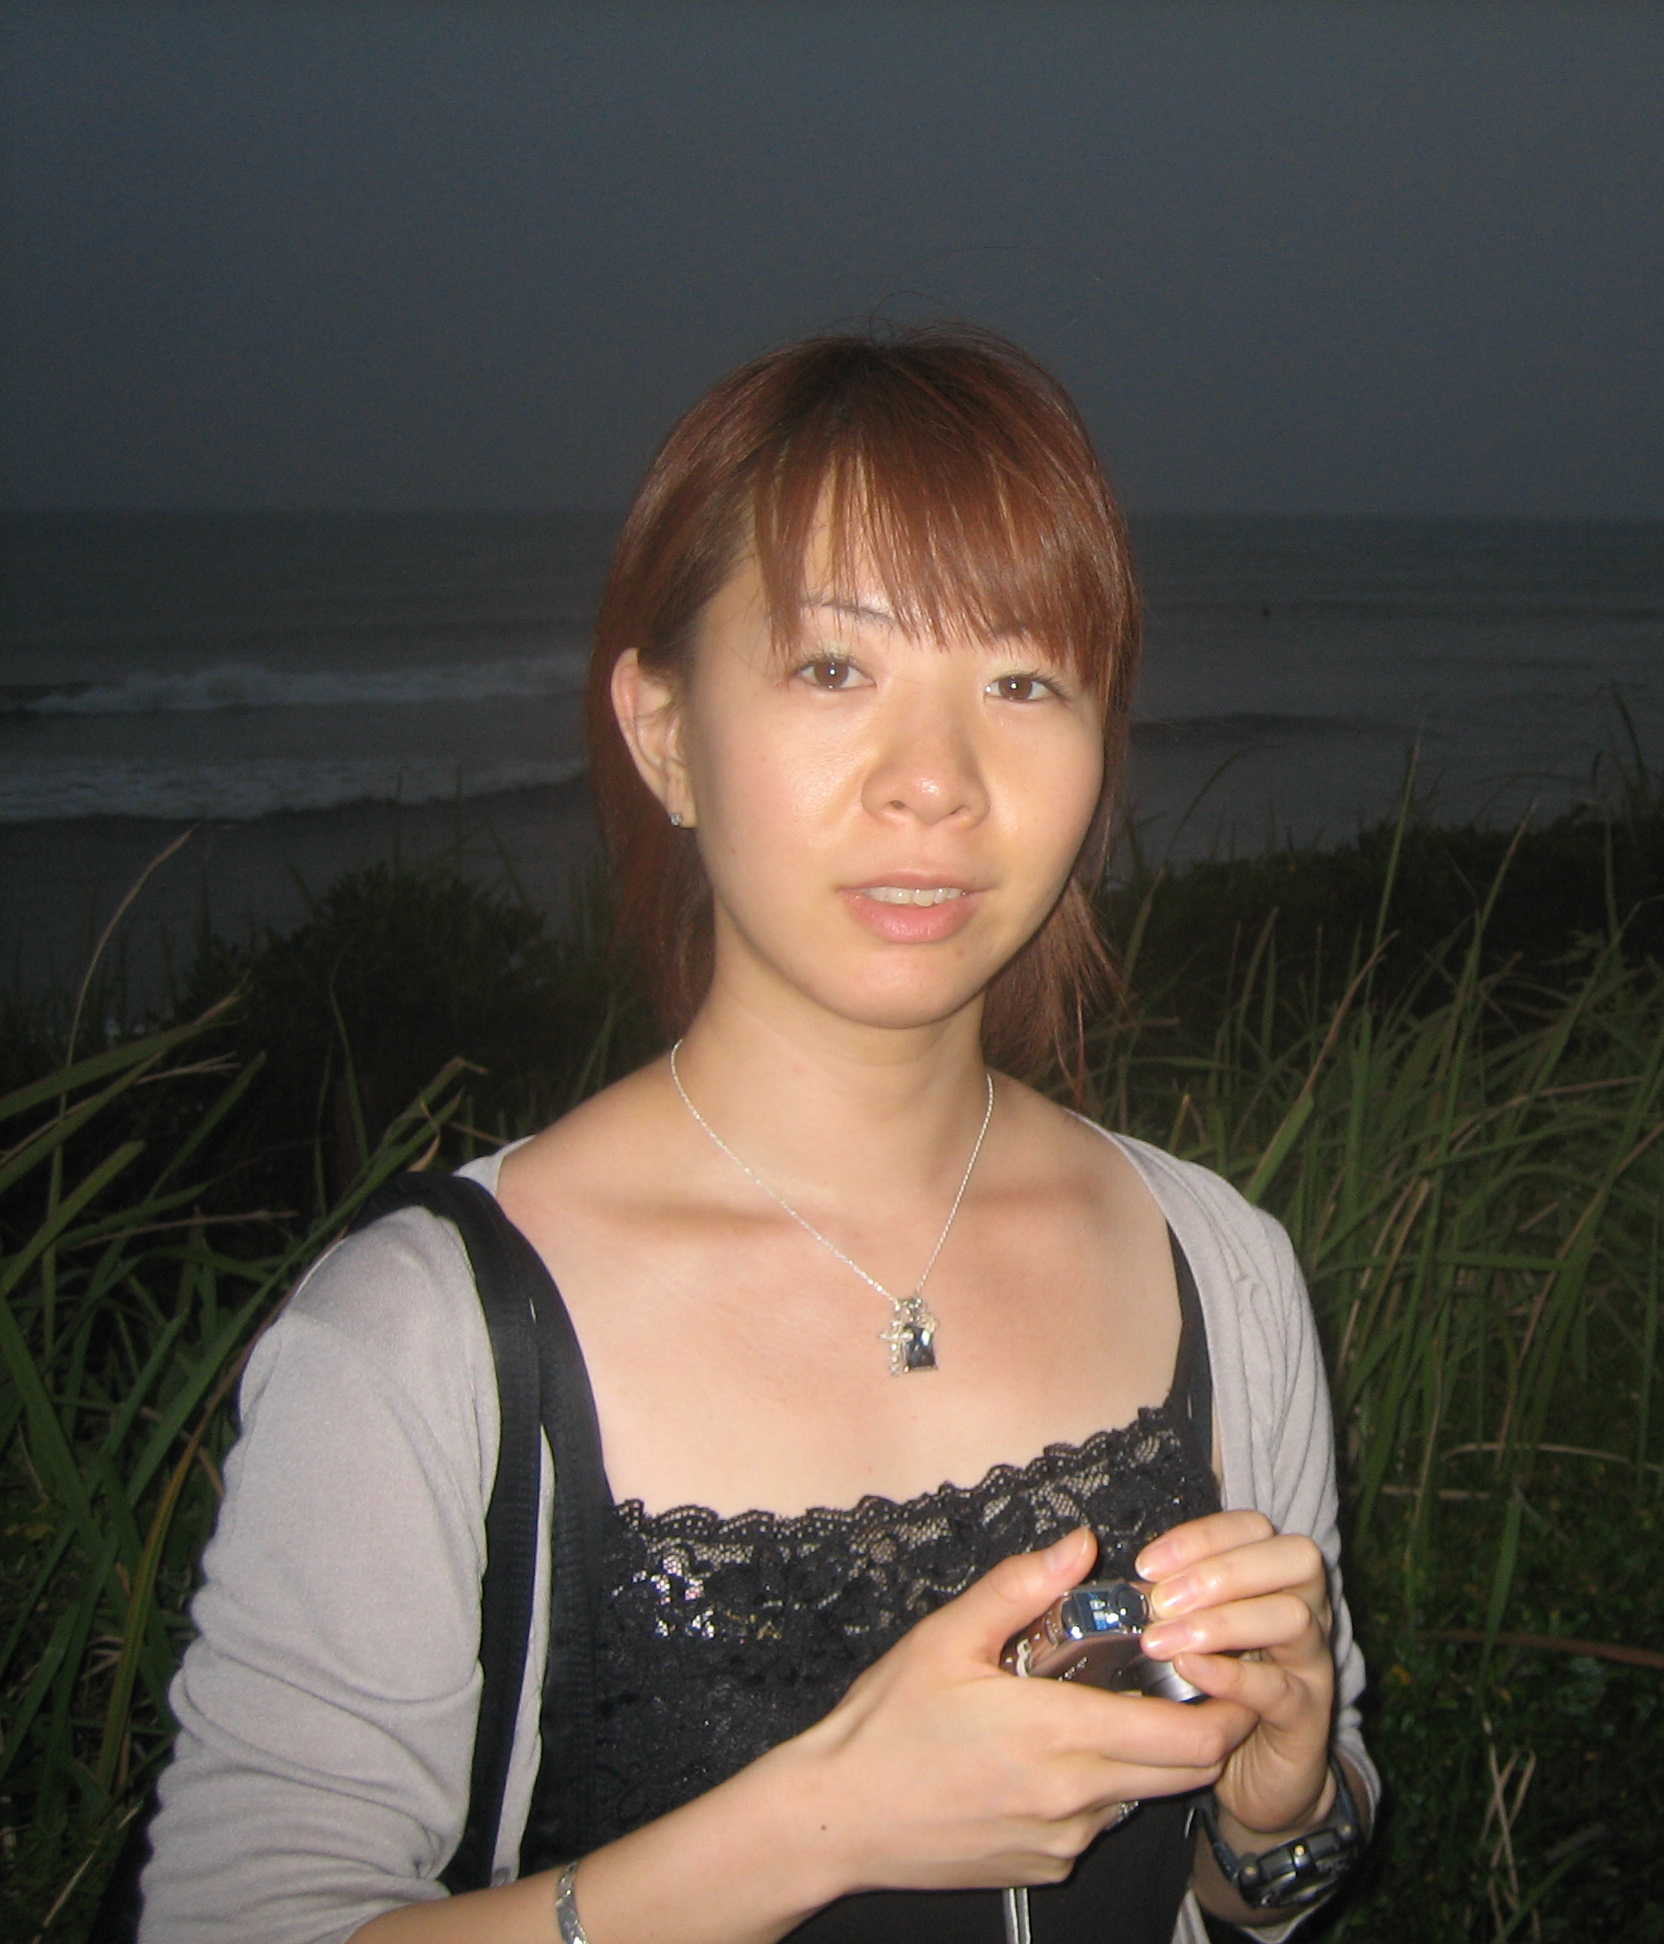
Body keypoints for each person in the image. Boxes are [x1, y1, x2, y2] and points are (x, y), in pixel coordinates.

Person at [139, 327, 1372, 1944]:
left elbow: (1266, 1890)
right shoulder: (426, 1342)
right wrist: (815, 1825)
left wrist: (1282, 1810)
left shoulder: (1220, 1265)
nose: (936, 782)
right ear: (664, 733)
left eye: (1022, 682)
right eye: (833, 669)